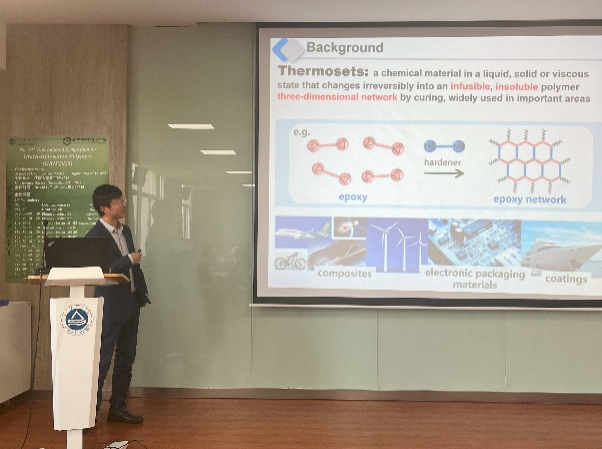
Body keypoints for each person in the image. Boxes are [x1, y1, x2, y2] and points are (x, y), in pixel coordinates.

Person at [85, 184, 151, 425]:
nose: (123, 204)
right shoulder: (94, 236)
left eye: (122, 200)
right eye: (118, 201)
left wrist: (140, 293)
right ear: (104, 207)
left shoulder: (126, 231)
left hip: (131, 303)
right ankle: (89, 414)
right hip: (110, 306)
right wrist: (128, 259)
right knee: (102, 361)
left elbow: (133, 268)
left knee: (126, 359)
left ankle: (118, 408)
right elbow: (101, 269)